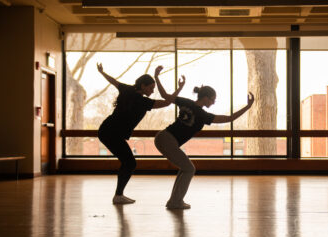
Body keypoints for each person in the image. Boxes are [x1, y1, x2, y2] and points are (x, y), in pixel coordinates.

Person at [153, 67, 254, 209]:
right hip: (168, 140)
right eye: (213, 99)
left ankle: (174, 201)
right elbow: (229, 118)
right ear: (206, 98)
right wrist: (247, 107)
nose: (213, 102)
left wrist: (157, 76)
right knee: (189, 169)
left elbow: (165, 95)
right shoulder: (203, 115)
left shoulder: (187, 103)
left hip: (162, 137)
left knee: (185, 168)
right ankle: (175, 202)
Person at [97, 63, 185, 204]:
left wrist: (102, 72)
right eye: (150, 88)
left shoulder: (128, 90)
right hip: (110, 133)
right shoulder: (143, 101)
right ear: (143, 86)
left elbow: (114, 81)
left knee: (128, 162)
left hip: (107, 130)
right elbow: (168, 102)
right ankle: (118, 195)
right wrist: (179, 88)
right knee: (130, 162)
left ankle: (119, 195)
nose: (152, 91)